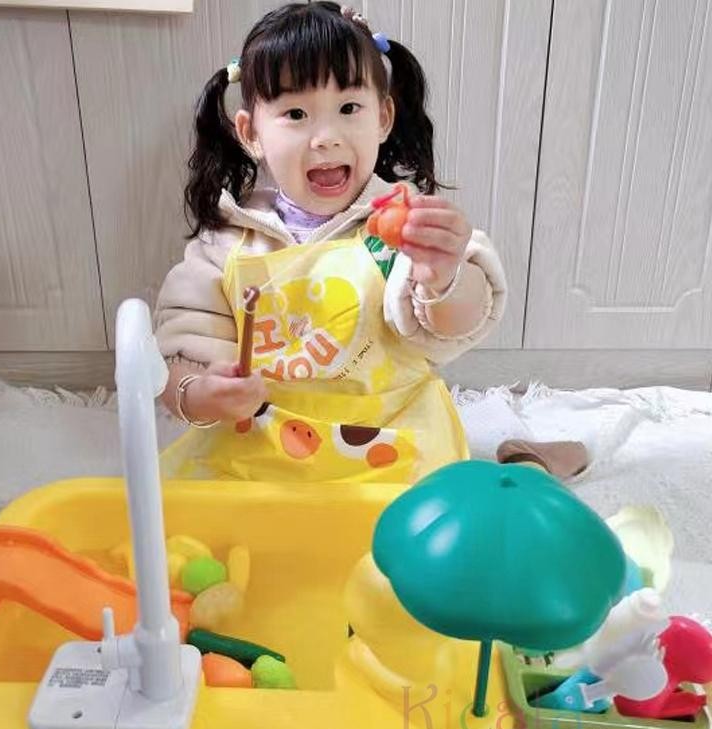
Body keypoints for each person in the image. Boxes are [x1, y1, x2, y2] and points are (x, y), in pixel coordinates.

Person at [154, 1, 586, 482]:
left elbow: (454, 327)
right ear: (250, 133)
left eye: (348, 108)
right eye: (296, 113)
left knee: (477, 513)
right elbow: (180, 357)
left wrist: (444, 276)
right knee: (178, 515)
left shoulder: (406, 223)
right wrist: (200, 393)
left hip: (392, 439)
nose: (326, 137)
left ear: (382, 117)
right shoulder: (227, 242)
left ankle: (529, 466)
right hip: (263, 442)